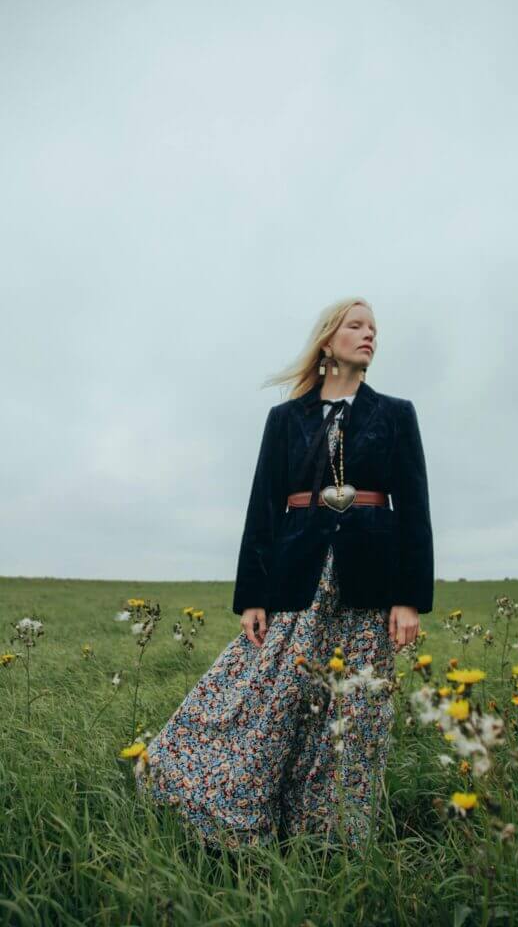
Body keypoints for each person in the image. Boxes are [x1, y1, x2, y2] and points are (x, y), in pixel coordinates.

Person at [136, 297, 434, 851]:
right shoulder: (285, 419)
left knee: (353, 709)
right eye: (357, 325)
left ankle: (331, 839)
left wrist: (409, 598)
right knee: (267, 696)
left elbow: (413, 508)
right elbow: (263, 508)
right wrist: (253, 595)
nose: (370, 335)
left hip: (370, 582)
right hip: (297, 578)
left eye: (375, 328)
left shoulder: (395, 413)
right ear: (328, 340)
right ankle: (229, 812)